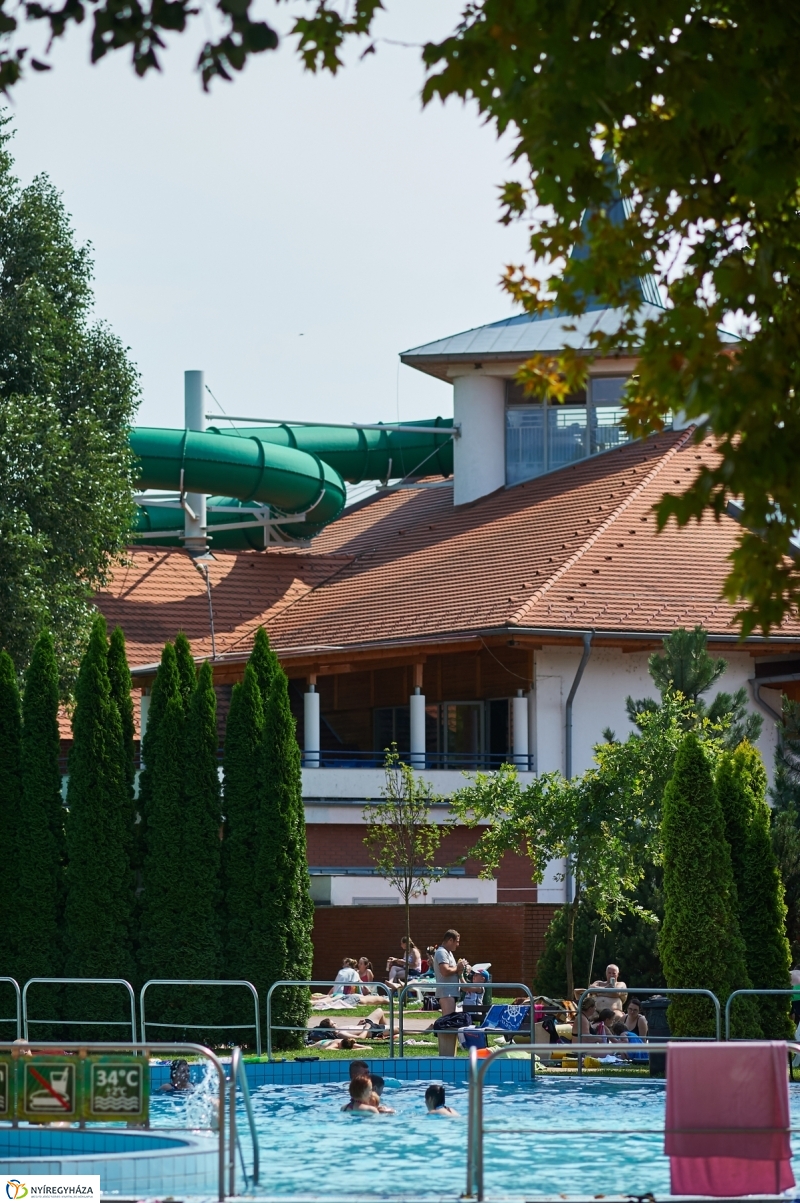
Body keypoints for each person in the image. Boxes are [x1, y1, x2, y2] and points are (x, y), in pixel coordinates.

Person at [434, 929, 468, 1017]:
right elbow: (445, 971)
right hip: (446, 993)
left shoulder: (448, 953)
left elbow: (453, 969)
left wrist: (461, 968)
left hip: (450, 993)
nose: (458, 944)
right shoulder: (441, 952)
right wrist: (458, 967)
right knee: (448, 1021)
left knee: (449, 1020)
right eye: (457, 941)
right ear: (450, 940)